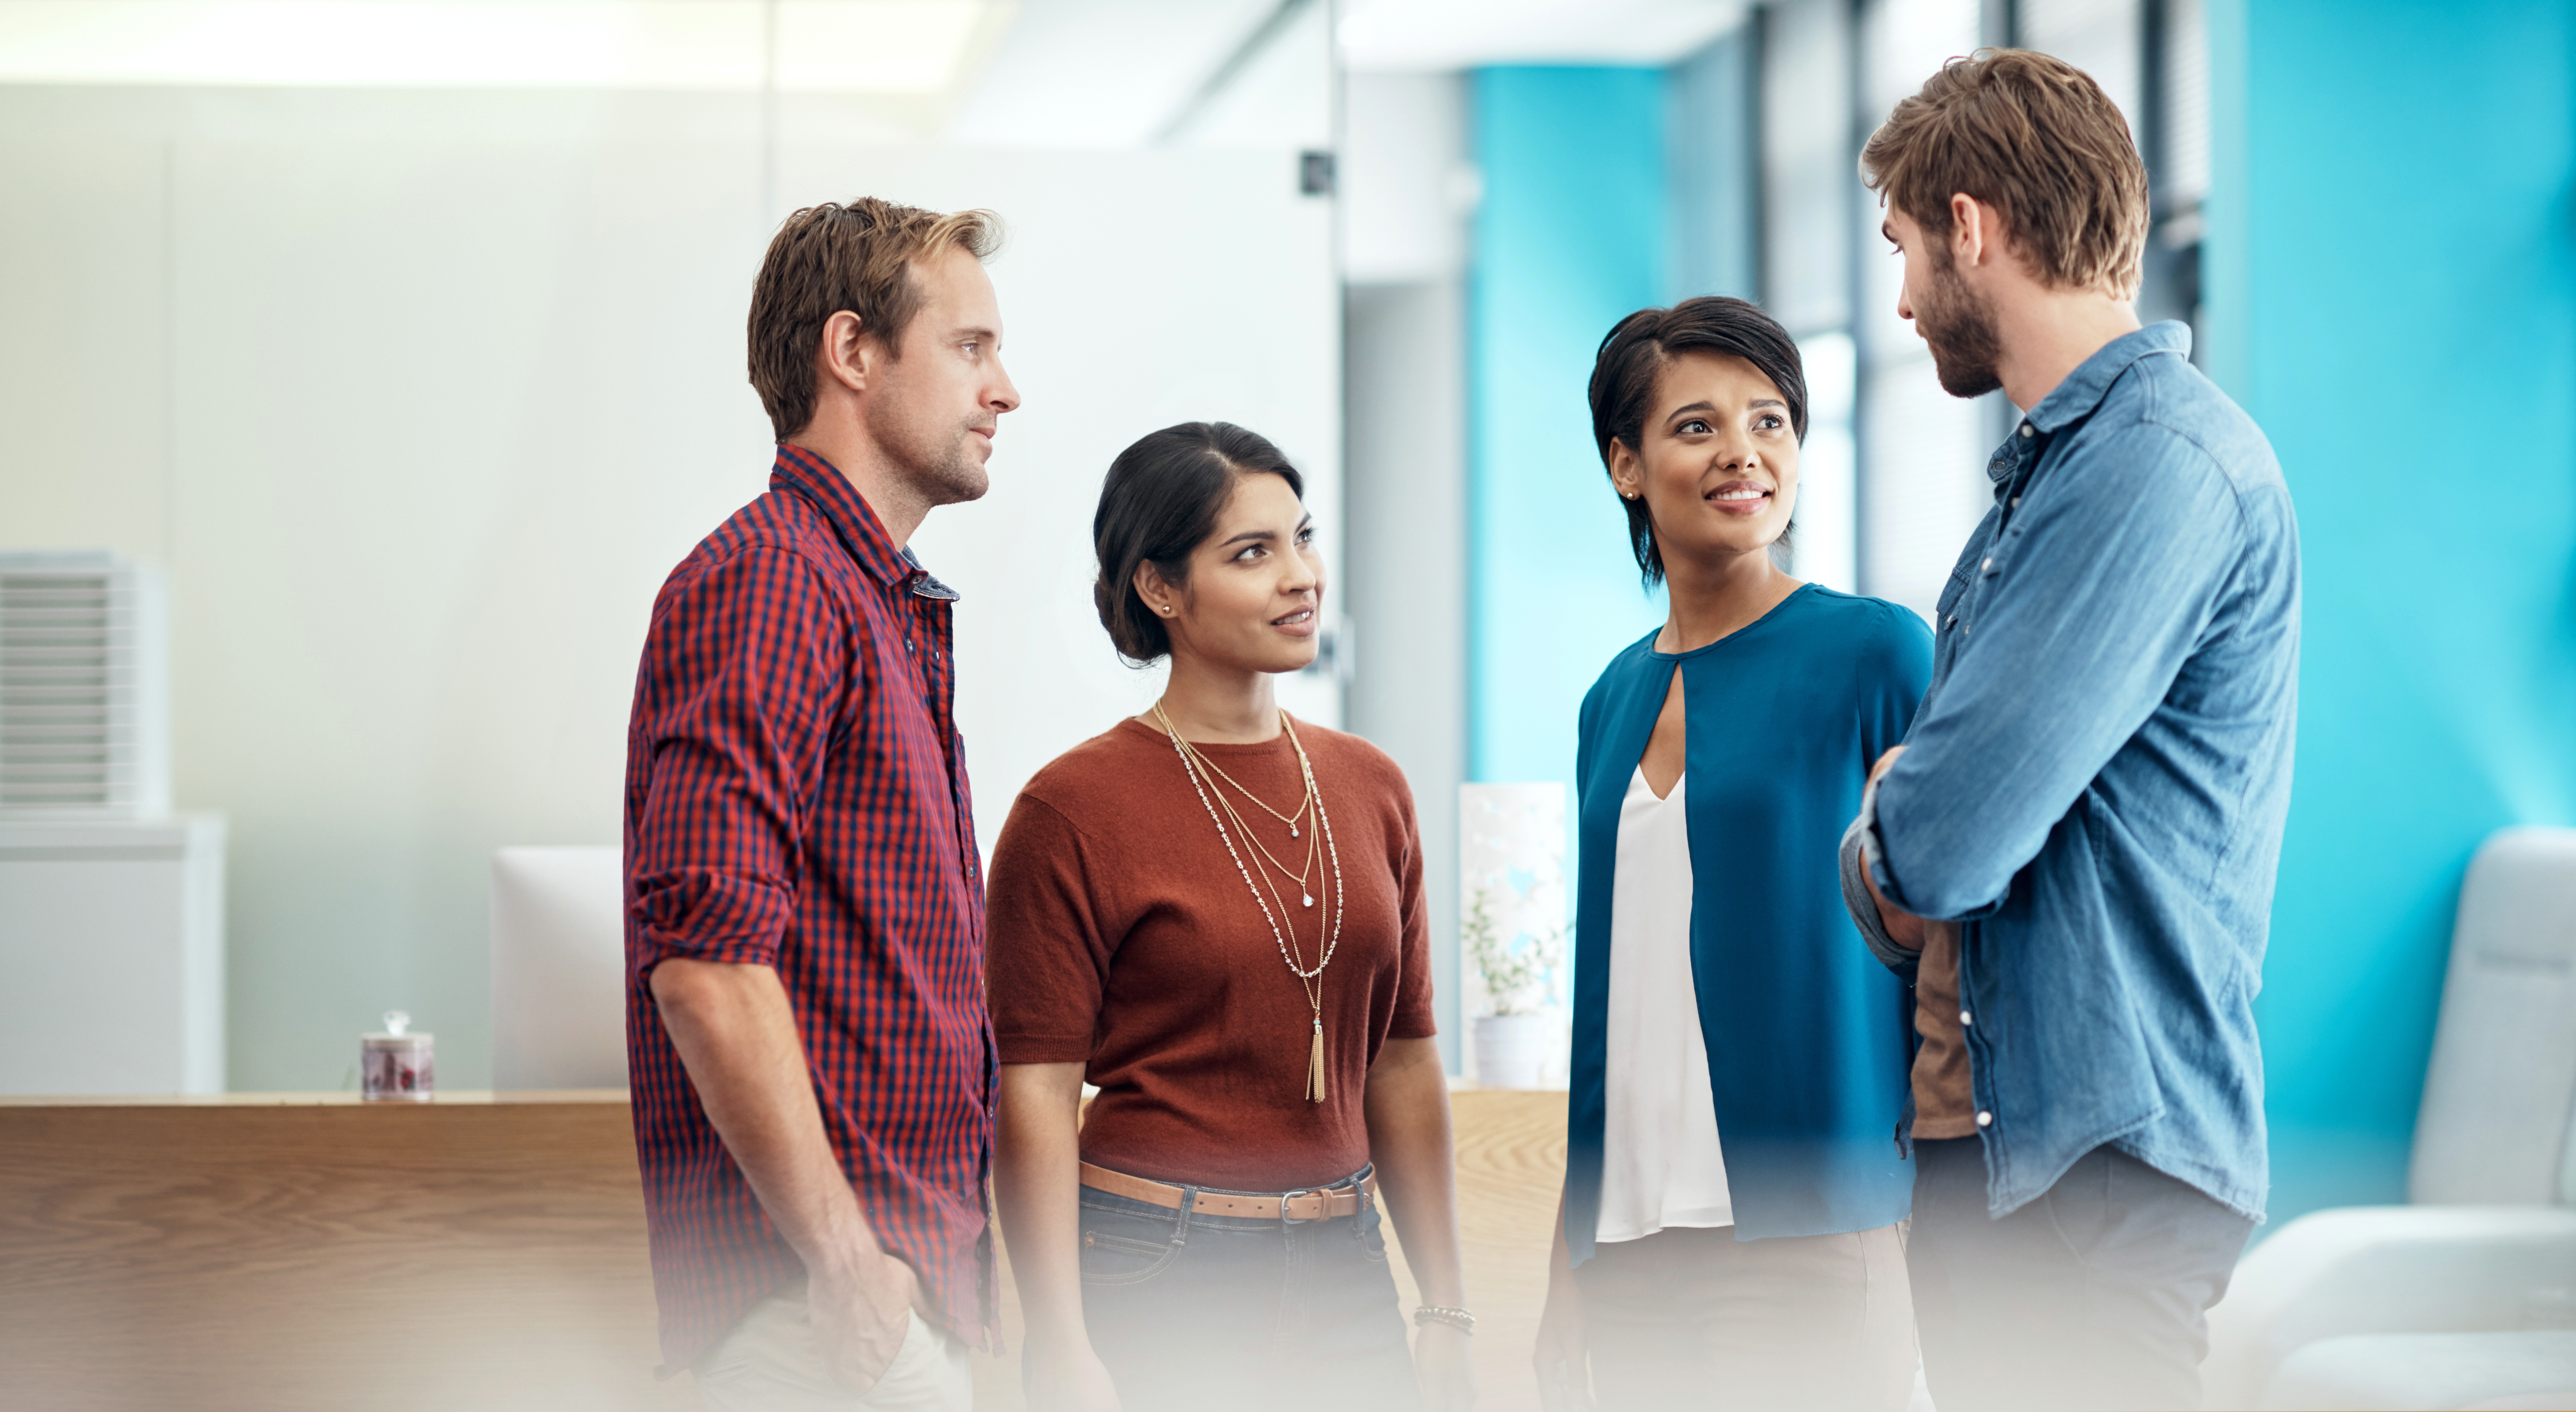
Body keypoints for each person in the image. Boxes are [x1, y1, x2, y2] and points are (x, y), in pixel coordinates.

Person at [1841, 49, 2299, 1412]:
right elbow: (1944, 833)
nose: (1905, 300)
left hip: (2092, 1174)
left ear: (1971, 228)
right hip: (2002, 1152)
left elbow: (1947, 837)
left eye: (1907, 250)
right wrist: (1913, 820)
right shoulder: (2041, 490)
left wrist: (1886, 825)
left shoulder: (2154, 466)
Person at [986, 422, 1474, 1412]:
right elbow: (1034, 1096)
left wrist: (1448, 1306)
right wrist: (1060, 1341)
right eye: (1252, 553)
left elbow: (1403, 1062)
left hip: (1348, 1255)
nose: (1300, 575)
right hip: (1159, 1261)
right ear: (1159, 589)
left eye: (1302, 537)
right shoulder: (1069, 807)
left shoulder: (1371, 785)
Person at [623, 197, 1021, 1412]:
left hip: (891, 1296)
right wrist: (848, 1262)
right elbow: (703, 965)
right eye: (970, 348)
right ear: (852, 353)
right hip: (824, 1311)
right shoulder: (773, 583)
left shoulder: (872, 603)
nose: (1006, 389)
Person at [1533, 296, 1932, 1412]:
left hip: (1816, 1221)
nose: (1744, 452)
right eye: (1697, 426)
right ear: (1627, 464)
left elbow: (1953, 940)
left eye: (1771, 420)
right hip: (1631, 1242)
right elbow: (1605, 988)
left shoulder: (1876, 654)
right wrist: (1572, 1248)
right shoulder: (1608, 699)